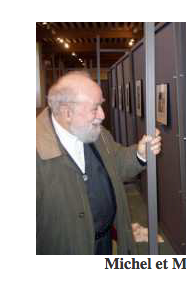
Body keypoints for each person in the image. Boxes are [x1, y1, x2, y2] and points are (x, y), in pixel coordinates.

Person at [36, 71, 161, 255]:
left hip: (105, 243)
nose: (102, 115)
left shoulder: (98, 134)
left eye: (100, 105)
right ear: (67, 112)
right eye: (95, 108)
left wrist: (139, 154)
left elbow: (116, 162)